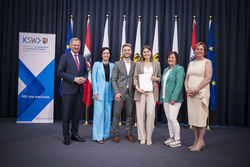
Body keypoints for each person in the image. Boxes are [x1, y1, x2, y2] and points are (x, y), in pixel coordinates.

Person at [57, 37, 88, 145]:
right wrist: (74, 78)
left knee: (76, 115)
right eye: (74, 45)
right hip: (68, 90)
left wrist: (84, 78)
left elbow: (86, 72)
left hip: (79, 90)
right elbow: (59, 72)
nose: (76, 47)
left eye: (78, 45)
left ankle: (74, 134)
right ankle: (66, 136)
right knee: (66, 115)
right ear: (70, 45)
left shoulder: (82, 58)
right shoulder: (64, 57)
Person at [184, 42, 212, 151]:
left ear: (204, 51)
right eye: (197, 49)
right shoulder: (191, 63)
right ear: (194, 51)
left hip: (201, 93)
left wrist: (196, 89)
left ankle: (201, 141)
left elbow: (208, 78)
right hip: (191, 94)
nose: (199, 51)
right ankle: (196, 141)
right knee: (193, 118)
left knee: (200, 118)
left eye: (201, 49)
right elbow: (186, 79)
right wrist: (187, 89)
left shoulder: (207, 62)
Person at [133, 45, 161, 145]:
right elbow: (135, 77)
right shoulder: (138, 64)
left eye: (147, 52)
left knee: (150, 113)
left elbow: (159, 77)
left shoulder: (157, 64)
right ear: (142, 54)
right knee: (140, 115)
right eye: (144, 52)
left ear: (151, 52)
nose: (146, 54)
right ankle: (142, 137)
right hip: (140, 91)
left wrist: (156, 79)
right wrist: (137, 87)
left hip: (152, 92)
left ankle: (149, 136)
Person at [111, 43, 136, 143]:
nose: (127, 52)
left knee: (130, 115)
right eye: (125, 50)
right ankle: (115, 134)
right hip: (120, 93)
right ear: (122, 51)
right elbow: (113, 79)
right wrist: (116, 92)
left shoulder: (135, 64)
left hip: (130, 93)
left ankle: (128, 133)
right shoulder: (117, 64)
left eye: (128, 50)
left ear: (131, 51)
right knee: (116, 114)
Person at [159, 51, 185, 148]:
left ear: (176, 59)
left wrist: (174, 97)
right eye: (169, 57)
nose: (170, 59)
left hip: (174, 99)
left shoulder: (179, 69)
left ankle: (177, 140)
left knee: (172, 118)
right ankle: (171, 137)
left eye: (173, 57)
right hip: (165, 98)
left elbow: (179, 84)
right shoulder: (166, 70)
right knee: (169, 119)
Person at [92, 47, 114, 144]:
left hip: (109, 90)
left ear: (109, 55)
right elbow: (94, 79)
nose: (106, 55)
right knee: (98, 114)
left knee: (107, 113)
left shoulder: (113, 65)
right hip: (99, 91)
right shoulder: (97, 64)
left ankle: (105, 134)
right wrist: (95, 92)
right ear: (101, 55)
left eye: (107, 53)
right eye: (104, 53)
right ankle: (98, 136)